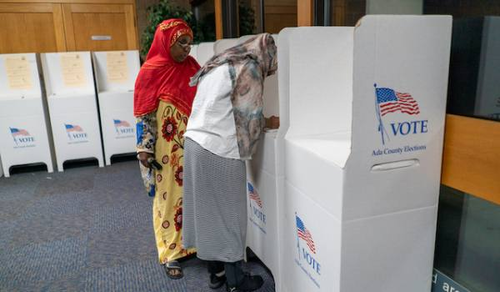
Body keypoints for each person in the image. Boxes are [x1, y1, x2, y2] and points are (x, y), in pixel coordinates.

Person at [182, 33, 278, 291]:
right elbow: (249, 122)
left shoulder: (221, 61)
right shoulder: (250, 66)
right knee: (231, 216)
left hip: (193, 143)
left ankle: (217, 274)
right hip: (218, 149)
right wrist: (270, 123)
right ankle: (237, 282)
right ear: (265, 53)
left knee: (207, 215)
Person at [134, 18, 200, 280]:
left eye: (189, 44)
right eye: (181, 42)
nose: (187, 49)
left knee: (194, 193)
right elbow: (143, 114)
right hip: (165, 149)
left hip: (195, 145)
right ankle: (171, 251)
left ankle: (193, 244)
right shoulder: (151, 70)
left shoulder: (194, 67)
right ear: (167, 41)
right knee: (169, 197)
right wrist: (144, 149)